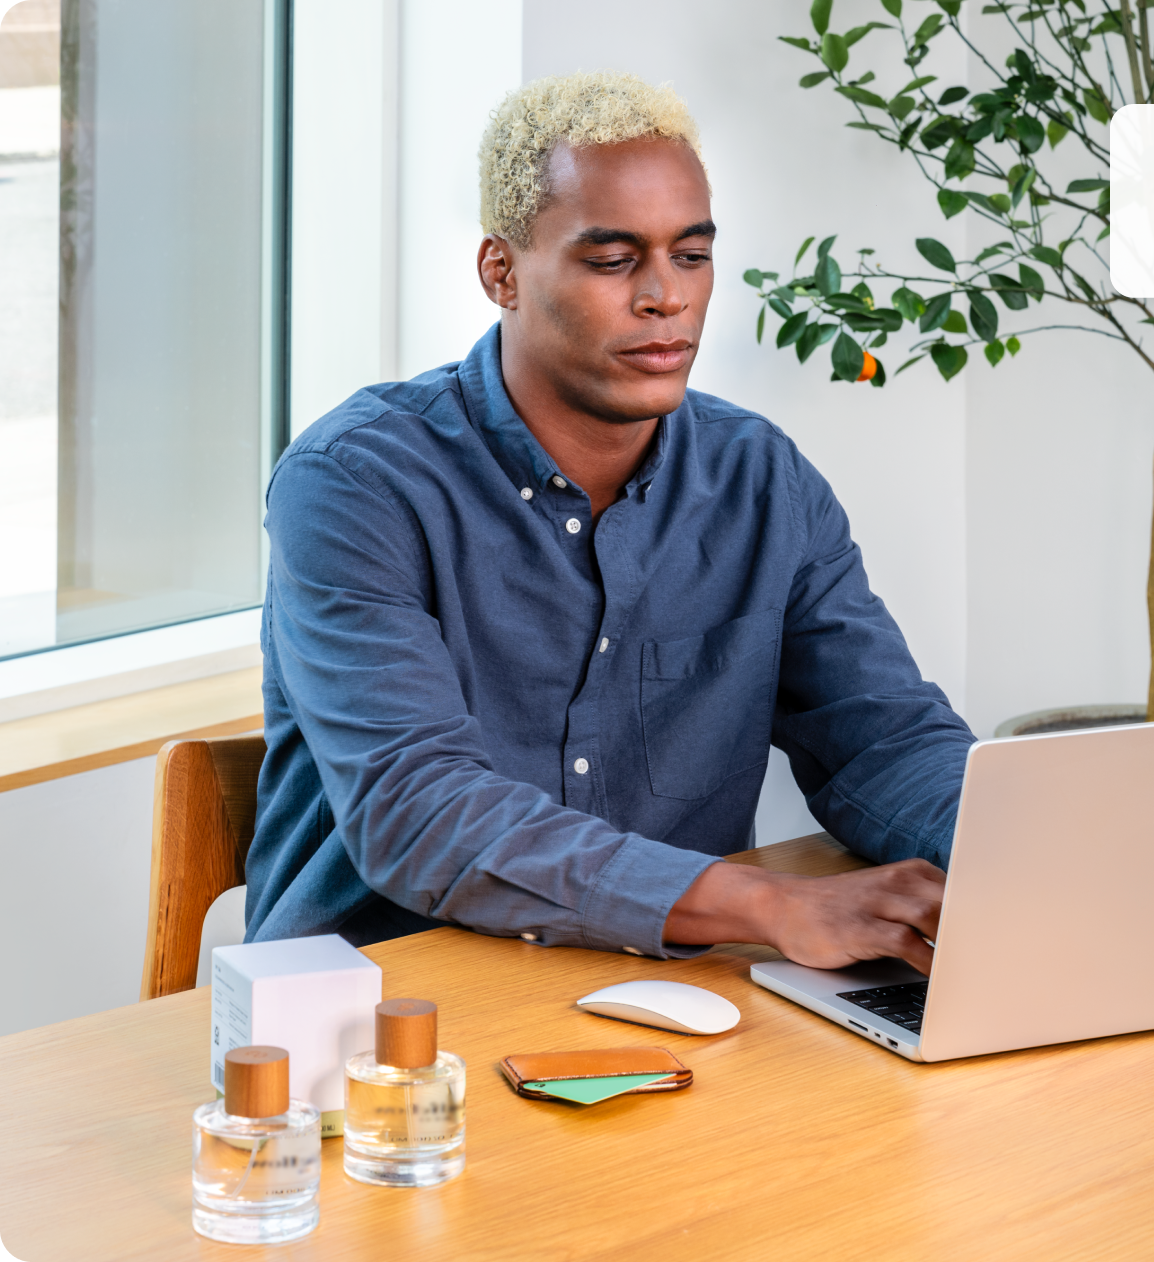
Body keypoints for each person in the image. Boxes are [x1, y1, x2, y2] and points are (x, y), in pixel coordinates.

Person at [247, 72, 969, 974]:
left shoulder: (761, 480)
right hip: (385, 1026)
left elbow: (883, 737)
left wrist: (1020, 850)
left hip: (679, 1010)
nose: (666, 296)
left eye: (692, 255)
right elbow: (418, 809)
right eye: (613, 260)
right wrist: (764, 902)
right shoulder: (355, 484)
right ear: (501, 272)